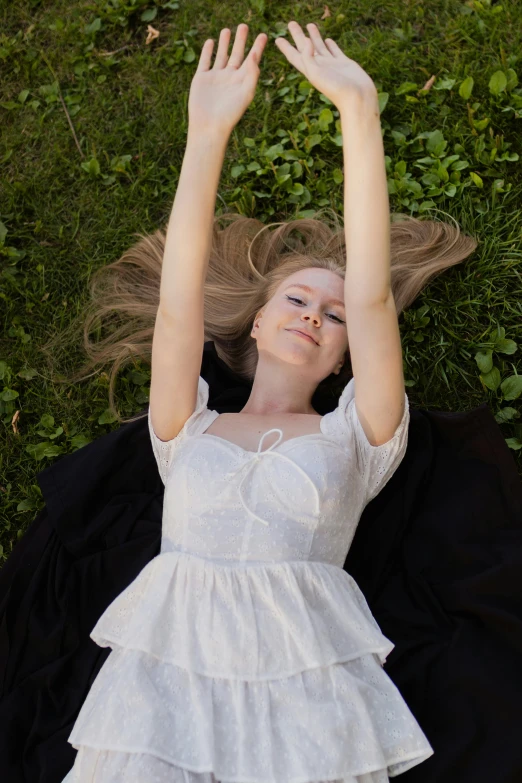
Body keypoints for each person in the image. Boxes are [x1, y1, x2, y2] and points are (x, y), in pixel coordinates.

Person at [3, 19, 521, 783]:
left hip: (304, 699)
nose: (316, 312)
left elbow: (376, 295)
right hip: (160, 699)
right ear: (256, 318)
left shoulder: (361, 435)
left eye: (333, 315)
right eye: (298, 297)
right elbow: (177, 309)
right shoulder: (188, 425)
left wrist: (359, 114)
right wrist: (205, 131)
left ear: (348, 354)